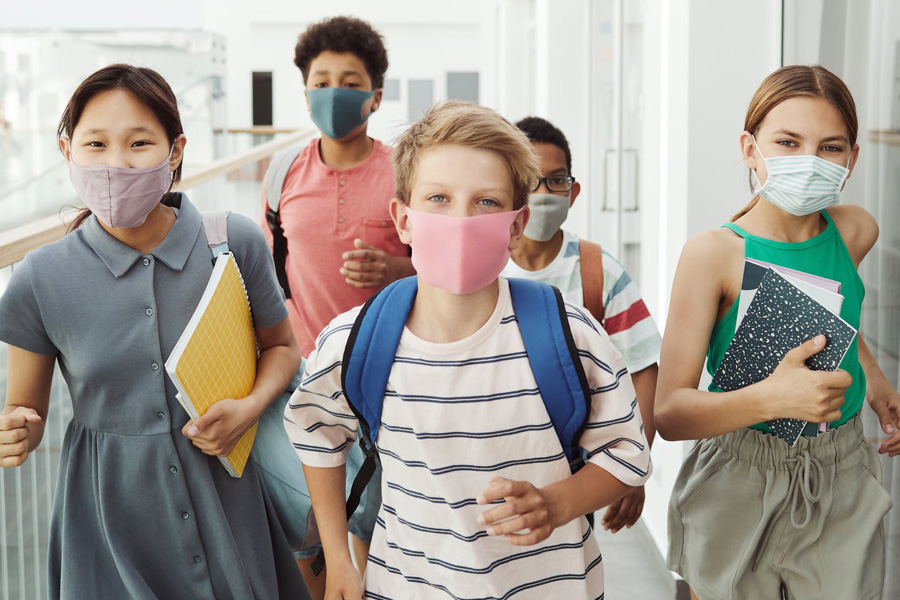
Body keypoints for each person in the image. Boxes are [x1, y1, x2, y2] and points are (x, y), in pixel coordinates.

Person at [285, 101, 651, 599]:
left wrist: (556, 503)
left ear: (516, 226)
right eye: (438, 198)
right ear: (403, 218)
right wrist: (339, 558)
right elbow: (316, 434)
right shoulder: (354, 341)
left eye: (486, 202)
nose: (460, 219)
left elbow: (626, 451)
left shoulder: (571, 335)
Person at [0, 64, 309, 600]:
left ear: (175, 150)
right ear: (66, 148)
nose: (115, 163)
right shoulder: (39, 278)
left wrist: (250, 406)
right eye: (95, 143)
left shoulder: (233, 243)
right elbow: (24, 412)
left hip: (228, 502)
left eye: (139, 142)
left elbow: (282, 347)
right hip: (108, 519)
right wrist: (14, 435)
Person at [655, 65, 900, 600]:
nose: (809, 161)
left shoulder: (856, 229)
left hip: (842, 467)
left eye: (830, 147)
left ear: (853, 159)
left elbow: (834, 311)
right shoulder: (715, 254)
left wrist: (876, 383)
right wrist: (771, 398)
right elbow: (670, 413)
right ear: (749, 148)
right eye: (787, 142)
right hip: (739, 470)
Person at [256, 16, 412, 597]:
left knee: (373, 514)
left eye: (350, 81)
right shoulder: (282, 173)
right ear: (304, 94)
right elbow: (270, 271)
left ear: (374, 95)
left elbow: (442, 271)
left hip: (383, 370)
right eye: (321, 81)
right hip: (302, 371)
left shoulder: (406, 171)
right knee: (303, 520)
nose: (334, 93)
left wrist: (398, 270)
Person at [501, 116, 661, 533]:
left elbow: (644, 368)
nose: (543, 193)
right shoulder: (485, 266)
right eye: (530, 181)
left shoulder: (597, 271)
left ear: (573, 192)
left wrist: (632, 464)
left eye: (556, 181)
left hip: (574, 476)